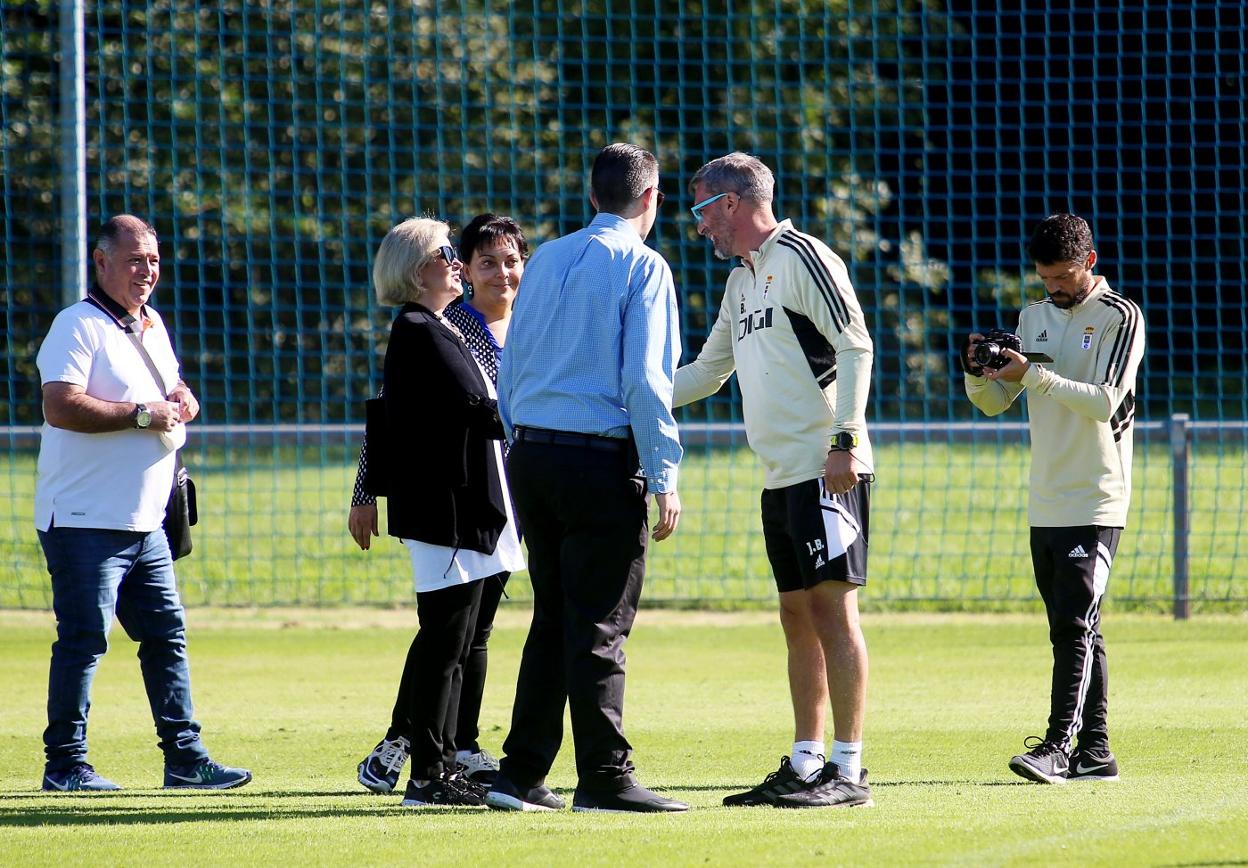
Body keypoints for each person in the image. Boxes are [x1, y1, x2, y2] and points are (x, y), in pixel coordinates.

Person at [485, 143, 687, 814]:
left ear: (592, 195)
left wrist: (520, 441)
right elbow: (646, 379)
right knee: (600, 622)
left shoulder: (544, 259)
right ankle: (603, 777)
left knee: (552, 618)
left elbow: (512, 365)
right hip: (599, 459)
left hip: (531, 455)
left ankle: (520, 773)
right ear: (650, 199)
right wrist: (663, 473)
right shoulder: (644, 265)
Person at [672, 153, 876, 809]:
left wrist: (844, 441)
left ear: (731, 202)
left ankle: (848, 770)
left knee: (833, 611)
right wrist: (623, 401)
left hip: (826, 467)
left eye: (702, 208)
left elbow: (856, 345)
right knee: (796, 615)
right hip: (779, 478)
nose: (698, 224)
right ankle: (806, 761)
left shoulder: (802, 256)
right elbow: (706, 373)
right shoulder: (740, 282)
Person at [34, 214, 251, 792]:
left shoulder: (152, 324)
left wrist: (180, 397)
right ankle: (65, 765)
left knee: (165, 637)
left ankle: (185, 759)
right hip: (83, 519)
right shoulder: (76, 324)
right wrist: (141, 415)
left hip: (145, 521)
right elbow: (60, 405)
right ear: (101, 262)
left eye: (153, 260)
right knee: (85, 640)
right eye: (134, 260)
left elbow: (165, 391)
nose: (147, 271)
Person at [963, 213, 1145, 784]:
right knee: (1076, 626)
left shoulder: (1121, 316)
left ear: (1090, 262)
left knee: (1074, 627)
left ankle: (1058, 748)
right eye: (1045, 278)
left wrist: (1033, 375)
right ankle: (1097, 752)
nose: (1054, 288)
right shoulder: (1033, 317)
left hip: (1096, 495)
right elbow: (995, 403)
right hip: (1045, 498)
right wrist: (977, 373)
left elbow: (1105, 401)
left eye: (1063, 276)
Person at [351, 214, 528, 793]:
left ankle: (453, 754)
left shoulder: (517, 324)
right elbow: (412, 415)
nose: (498, 272)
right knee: (445, 640)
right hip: (453, 511)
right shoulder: (430, 328)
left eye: (511, 260)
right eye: (474, 259)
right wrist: (364, 492)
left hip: (493, 506)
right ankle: (418, 760)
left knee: (467, 636)